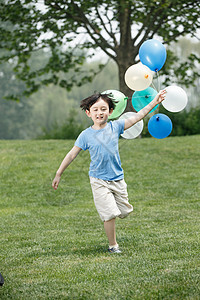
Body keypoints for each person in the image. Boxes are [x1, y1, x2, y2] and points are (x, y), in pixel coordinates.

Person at [52, 89, 166, 253]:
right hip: (98, 180)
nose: (100, 113)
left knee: (124, 211)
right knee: (109, 214)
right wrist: (58, 173)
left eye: (103, 109)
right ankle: (113, 245)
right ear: (88, 113)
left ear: (110, 111)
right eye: (95, 110)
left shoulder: (116, 126)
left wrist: (155, 101)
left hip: (117, 179)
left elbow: (138, 115)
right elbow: (71, 154)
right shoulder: (85, 135)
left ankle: (116, 212)